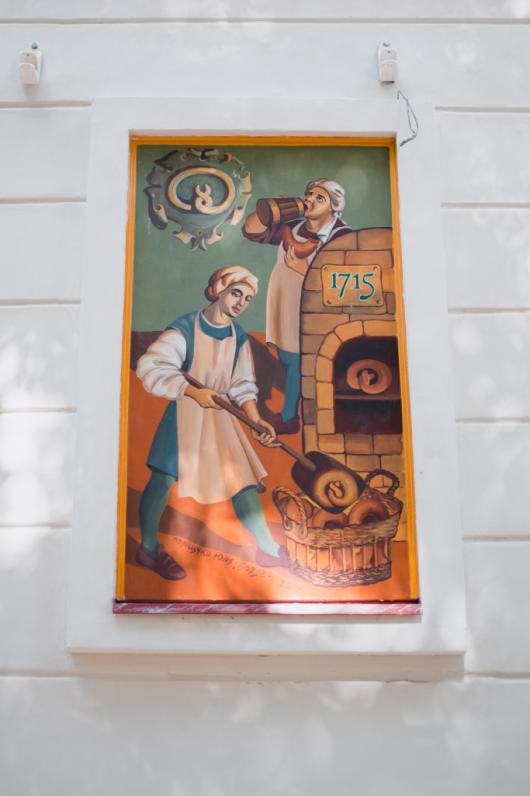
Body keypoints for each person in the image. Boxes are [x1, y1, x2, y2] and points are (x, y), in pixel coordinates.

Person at [135, 265, 287, 580]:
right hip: (185, 413)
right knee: (163, 477)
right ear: (219, 290)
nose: (241, 302)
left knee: (242, 481)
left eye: (247, 298)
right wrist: (193, 391)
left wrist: (256, 420)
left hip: (220, 417)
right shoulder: (185, 329)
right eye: (236, 293)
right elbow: (153, 365)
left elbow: (242, 383)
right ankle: (148, 549)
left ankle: (267, 548)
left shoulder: (237, 337)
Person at [243, 179, 353, 434]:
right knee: (287, 358)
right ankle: (295, 412)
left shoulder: (342, 236)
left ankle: (290, 417)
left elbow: (343, 283)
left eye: (320, 198)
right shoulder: (294, 226)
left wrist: (305, 271)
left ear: (333, 207)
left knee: (298, 362)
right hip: (284, 304)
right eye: (309, 194)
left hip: (313, 309)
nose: (310, 199)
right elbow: (251, 230)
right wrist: (274, 208)